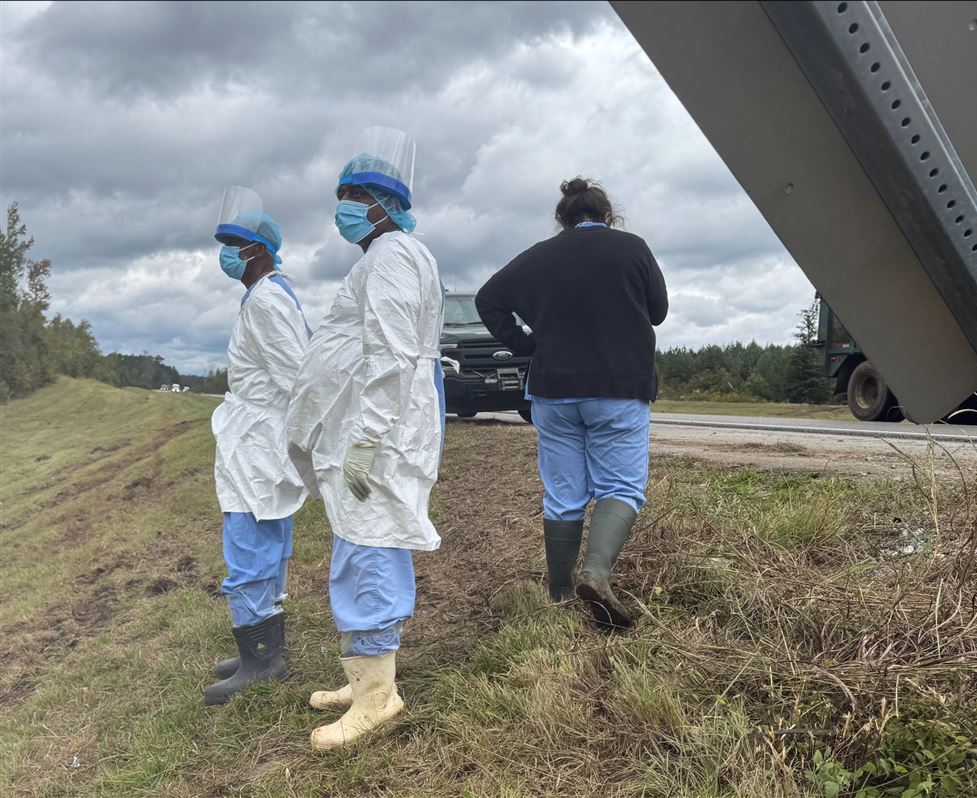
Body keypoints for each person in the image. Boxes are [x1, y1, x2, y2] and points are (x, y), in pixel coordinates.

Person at [286, 126, 444, 752]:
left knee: (368, 547)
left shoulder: (393, 257)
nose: (343, 205)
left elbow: (391, 354)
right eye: (341, 193)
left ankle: (378, 697)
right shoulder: (387, 258)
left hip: (379, 431)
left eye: (355, 194)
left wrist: (369, 438)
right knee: (362, 543)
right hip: (372, 427)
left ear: (385, 204)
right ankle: (367, 679)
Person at [476, 177, 668, 628]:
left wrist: (523, 343)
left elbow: (488, 299)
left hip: (552, 389)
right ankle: (596, 574)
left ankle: (561, 594)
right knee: (620, 487)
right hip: (619, 386)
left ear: (562, 219)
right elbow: (657, 312)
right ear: (607, 215)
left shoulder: (538, 256)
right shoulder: (633, 248)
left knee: (563, 496)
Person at [205, 186, 312, 705]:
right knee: (264, 540)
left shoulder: (267, 300)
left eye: (236, 242)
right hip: (258, 438)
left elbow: (295, 376)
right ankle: (262, 646)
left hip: (259, 441)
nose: (227, 251)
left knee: (248, 543)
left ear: (259, 250)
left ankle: (261, 659)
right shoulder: (265, 296)